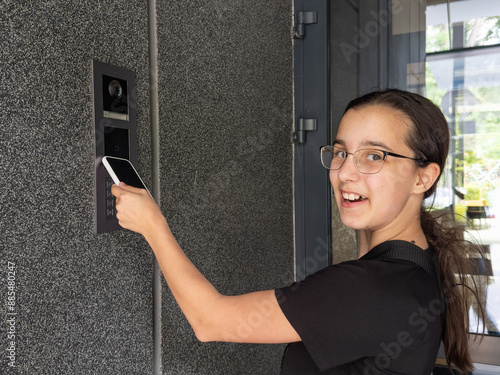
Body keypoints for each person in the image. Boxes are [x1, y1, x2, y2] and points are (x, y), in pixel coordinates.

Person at [111, 89, 485, 374]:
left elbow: (210, 321)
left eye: (374, 156)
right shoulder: (417, 264)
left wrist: (152, 225)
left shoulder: (371, 288)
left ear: (424, 176)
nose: (344, 172)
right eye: (340, 152)